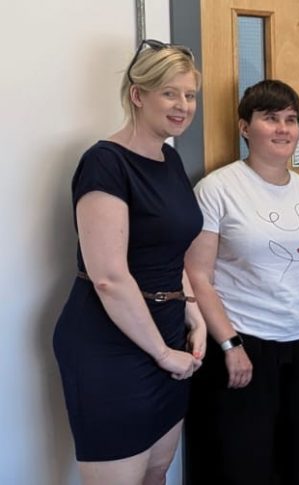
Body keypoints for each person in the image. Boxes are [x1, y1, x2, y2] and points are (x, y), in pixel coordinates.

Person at [185, 79, 299, 485]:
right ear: (245, 127)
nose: (283, 129)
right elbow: (198, 275)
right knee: (244, 464)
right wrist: (229, 344)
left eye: (291, 119)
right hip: (246, 343)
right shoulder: (217, 189)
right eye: (270, 119)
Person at [52, 39, 204, 485]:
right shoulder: (105, 163)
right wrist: (162, 353)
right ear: (138, 95)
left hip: (168, 330)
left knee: (156, 473)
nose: (182, 106)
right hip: (111, 344)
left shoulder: (169, 158)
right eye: (169, 93)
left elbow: (168, 246)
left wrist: (190, 308)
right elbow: (109, 278)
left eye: (190, 94)